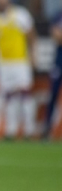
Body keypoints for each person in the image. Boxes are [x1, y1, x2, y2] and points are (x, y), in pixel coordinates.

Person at [0, 0, 37, 140]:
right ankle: (10, 130)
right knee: (7, 97)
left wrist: (33, 56)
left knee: (25, 94)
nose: (0, 1)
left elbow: (32, 36)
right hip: (3, 63)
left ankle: (29, 130)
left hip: (20, 61)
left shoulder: (20, 14)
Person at [42, 11, 62, 140]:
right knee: (53, 94)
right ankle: (47, 129)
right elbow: (56, 36)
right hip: (59, 58)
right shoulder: (58, 15)